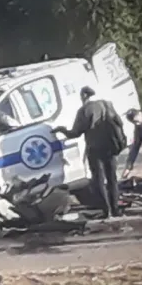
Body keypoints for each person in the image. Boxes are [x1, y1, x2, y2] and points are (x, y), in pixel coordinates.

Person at [51, 86, 127, 219]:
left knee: (98, 180)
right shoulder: (107, 104)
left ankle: (106, 211)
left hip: (95, 148)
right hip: (111, 146)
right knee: (112, 179)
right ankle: (116, 210)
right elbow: (119, 123)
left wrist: (62, 130)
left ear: (84, 96)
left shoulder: (84, 110)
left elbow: (75, 133)